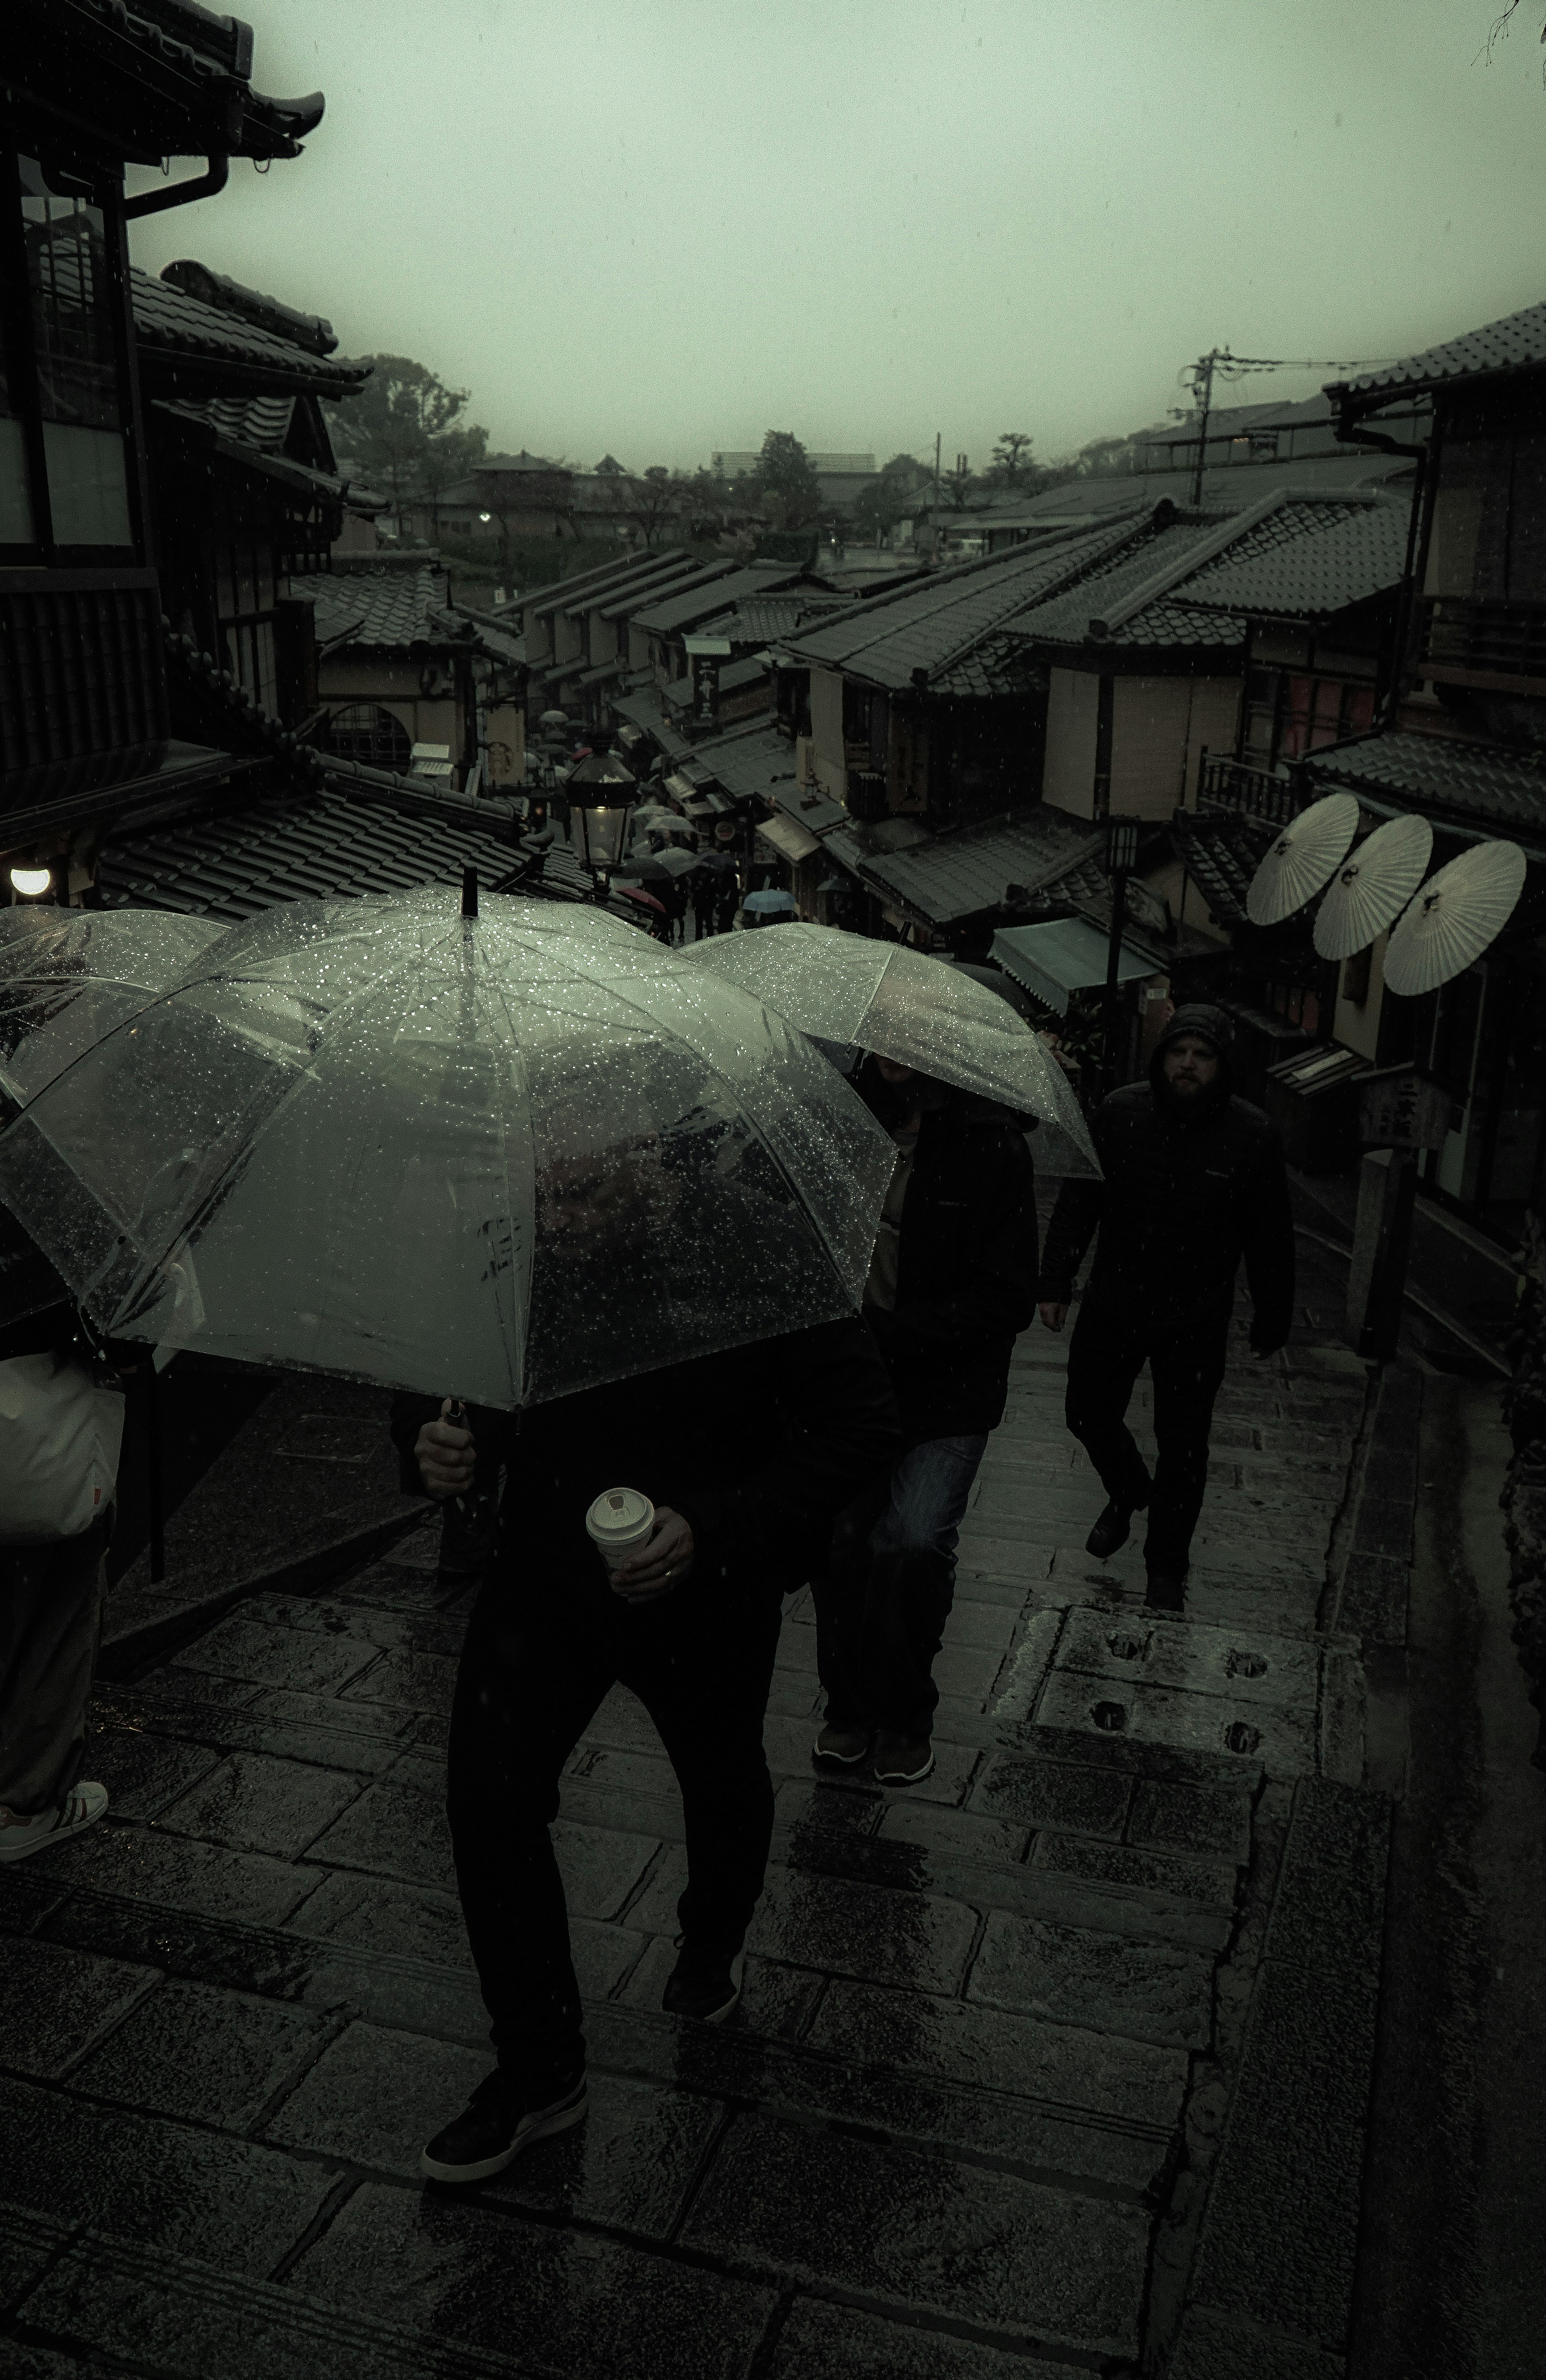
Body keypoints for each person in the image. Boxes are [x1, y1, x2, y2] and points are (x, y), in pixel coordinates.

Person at [393, 1316, 898, 2186]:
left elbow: (863, 1426)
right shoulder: (518, 1240)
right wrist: (431, 1443)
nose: (565, 1198)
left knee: (719, 1775)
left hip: (710, 1589)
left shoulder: (751, 1245)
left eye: (587, 1188)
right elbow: (451, 1373)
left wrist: (714, 1524)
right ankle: (540, 2069)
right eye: (555, 1187)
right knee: (489, 1799)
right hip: (546, 1573)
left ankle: (713, 1936)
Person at [812, 1055, 1038, 1785]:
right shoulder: (840, 1122)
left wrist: (902, 1331)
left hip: (949, 1388)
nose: (895, 1049)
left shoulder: (990, 1144)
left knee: (910, 1543)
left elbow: (1008, 1298)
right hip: (853, 1383)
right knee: (843, 1544)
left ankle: (907, 1713)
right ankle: (847, 1708)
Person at [1037, 1002, 1294, 1613]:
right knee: (1087, 1413)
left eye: (1202, 1056)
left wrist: (1272, 1312)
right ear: (1162, 1058)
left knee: (1184, 1446)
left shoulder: (1251, 1135)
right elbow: (1081, 1197)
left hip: (1195, 1315)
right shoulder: (1121, 1113)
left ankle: (1167, 1570)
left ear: (1222, 1065)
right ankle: (1129, 1488)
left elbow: (1269, 1233)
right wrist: (1054, 1280)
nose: (1187, 1065)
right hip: (1115, 1300)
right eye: (1179, 1052)